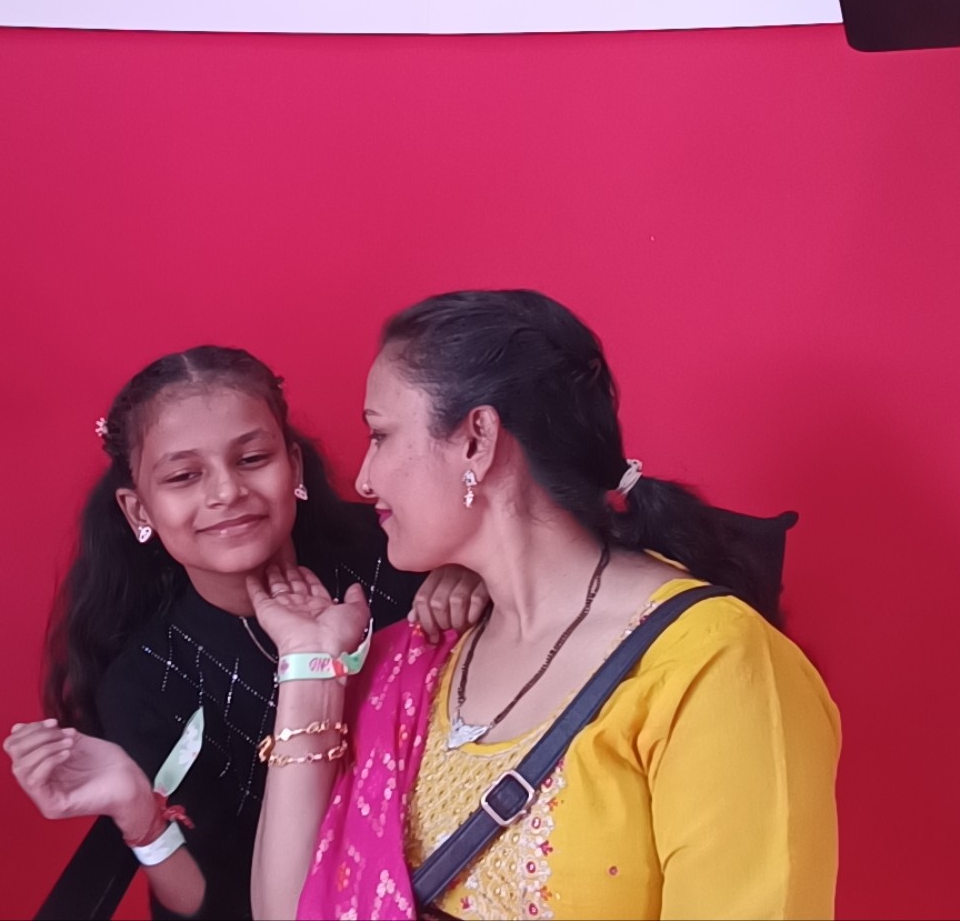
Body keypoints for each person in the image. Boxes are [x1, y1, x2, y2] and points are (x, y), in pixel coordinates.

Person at [247, 290, 841, 921]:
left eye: (381, 435)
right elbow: (291, 910)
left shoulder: (714, 665)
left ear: (477, 440)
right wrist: (308, 664)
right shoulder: (425, 654)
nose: (365, 479)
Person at [3, 346, 487, 920]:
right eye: (184, 476)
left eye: (252, 459)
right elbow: (219, 906)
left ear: (294, 467)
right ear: (139, 511)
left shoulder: (400, 552)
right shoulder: (146, 682)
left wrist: (475, 567)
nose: (226, 492)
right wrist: (136, 810)